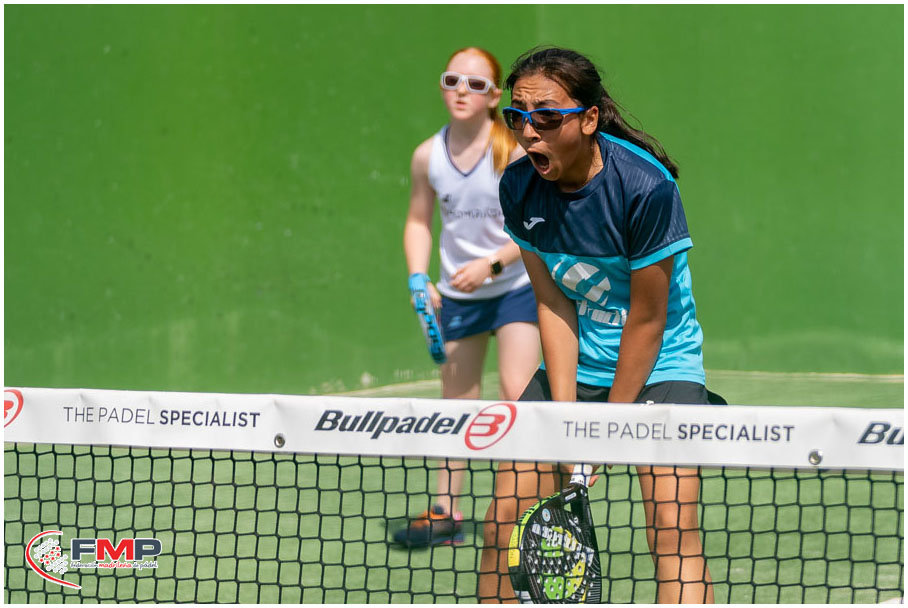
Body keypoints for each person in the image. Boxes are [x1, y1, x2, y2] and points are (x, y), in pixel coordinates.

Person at [478, 47, 716, 603]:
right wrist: (567, 422)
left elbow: (648, 320)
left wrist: (605, 431)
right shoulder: (518, 186)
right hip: (576, 364)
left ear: (588, 119)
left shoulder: (645, 187)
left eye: (546, 116)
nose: (528, 131)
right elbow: (553, 304)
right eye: (517, 116)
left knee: (672, 529)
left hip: (660, 366)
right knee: (502, 522)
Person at [397, 47, 541, 547]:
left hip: (515, 288)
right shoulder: (427, 156)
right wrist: (418, 277)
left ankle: (519, 508)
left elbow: (535, 228)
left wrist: (492, 265)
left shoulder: (514, 152)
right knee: (457, 403)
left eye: (476, 84)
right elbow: (418, 221)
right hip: (458, 295)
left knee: (517, 391)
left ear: (494, 96)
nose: (462, 90)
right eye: (452, 80)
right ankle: (445, 513)